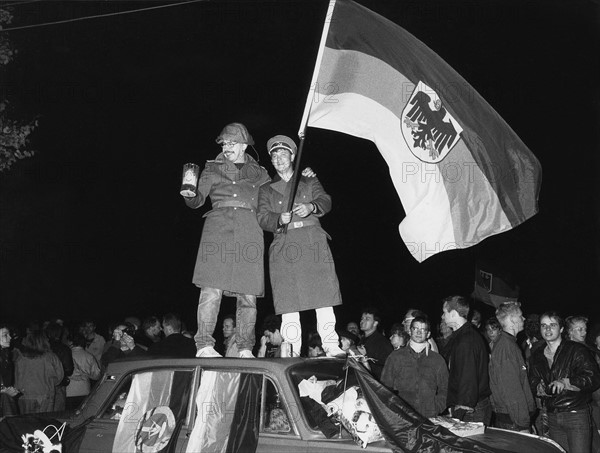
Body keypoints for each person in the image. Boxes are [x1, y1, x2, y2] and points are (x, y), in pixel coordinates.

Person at [182, 122, 270, 358]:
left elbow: (272, 202)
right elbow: (198, 199)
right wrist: (190, 195)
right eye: (224, 143)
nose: (227, 147)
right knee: (211, 290)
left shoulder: (260, 173)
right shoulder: (212, 168)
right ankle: (204, 345)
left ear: (243, 145)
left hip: (249, 230)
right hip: (217, 228)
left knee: (248, 295)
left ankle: (244, 347)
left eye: (232, 143)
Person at [257, 135, 343, 357]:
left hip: (312, 242)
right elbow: (262, 217)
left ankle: (331, 344)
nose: (278, 159)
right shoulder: (266, 189)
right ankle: (292, 348)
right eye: (274, 156)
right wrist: (278, 218)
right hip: (284, 245)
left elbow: (326, 200)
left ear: (293, 156)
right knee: (289, 303)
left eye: (283, 154)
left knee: (323, 297)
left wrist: (312, 207)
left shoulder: (308, 180)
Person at [529, 311, 600, 452]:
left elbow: (593, 379)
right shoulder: (537, 355)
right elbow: (532, 381)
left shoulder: (576, 350)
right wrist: (540, 389)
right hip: (552, 415)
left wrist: (565, 382)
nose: (548, 329)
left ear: (561, 329)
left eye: (552, 325)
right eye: (544, 325)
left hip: (576, 414)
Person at [381, 316, 448, 418]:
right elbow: (384, 387)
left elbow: (445, 388)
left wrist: (436, 407)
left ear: (428, 334)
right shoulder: (395, 357)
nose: (418, 332)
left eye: (423, 329)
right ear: (410, 331)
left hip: (428, 416)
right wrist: (394, 409)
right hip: (402, 416)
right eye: (415, 328)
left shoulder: (437, 360)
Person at [441, 295, 492, 424]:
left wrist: (460, 411)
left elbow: (468, 376)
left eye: (444, 312)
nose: (442, 316)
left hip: (471, 410)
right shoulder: (463, 336)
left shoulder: (466, 340)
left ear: (453, 314)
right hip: (473, 406)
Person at [488, 302, 534, 432]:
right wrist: (522, 424)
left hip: (513, 419)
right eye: (520, 315)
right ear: (512, 320)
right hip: (513, 422)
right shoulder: (506, 348)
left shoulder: (508, 344)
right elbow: (511, 389)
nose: (523, 319)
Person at [14, 330, 64, 414]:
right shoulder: (50, 357)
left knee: (27, 424)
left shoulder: (20, 358)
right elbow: (59, 377)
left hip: (25, 396)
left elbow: (17, 380)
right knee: (43, 424)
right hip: (45, 396)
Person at [66, 333, 101, 411]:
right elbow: (97, 375)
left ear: (71, 342)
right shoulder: (89, 356)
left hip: (69, 391)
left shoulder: (66, 354)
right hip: (85, 391)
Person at [358, 307, 393, 380]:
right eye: (362, 318)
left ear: (375, 323)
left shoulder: (382, 342)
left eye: (367, 319)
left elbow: (388, 366)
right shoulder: (362, 340)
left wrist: (366, 356)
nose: (362, 321)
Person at [46, 321, 74, 411]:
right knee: (57, 416)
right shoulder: (64, 349)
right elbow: (69, 369)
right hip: (59, 385)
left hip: (44, 385)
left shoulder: (41, 348)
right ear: (60, 333)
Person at [0, 324, 19, 416]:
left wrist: (8, 389)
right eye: (5, 335)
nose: (10, 337)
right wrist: (3, 390)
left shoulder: (5, 354)